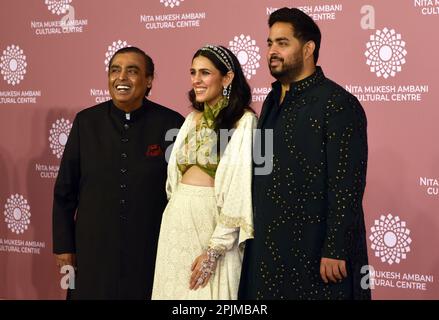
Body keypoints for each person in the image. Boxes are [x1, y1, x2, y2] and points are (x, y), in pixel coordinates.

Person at [238, 7, 371, 300]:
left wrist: (336, 247)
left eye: (282, 43)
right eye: (270, 43)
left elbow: (347, 184)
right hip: (269, 253)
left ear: (309, 48)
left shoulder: (338, 104)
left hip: (317, 257)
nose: (272, 50)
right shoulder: (272, 101)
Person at [52, 46, 184, 299]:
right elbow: (64, 191)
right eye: (115, 70)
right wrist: (64, 245)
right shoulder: (86, 122)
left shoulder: (171, 124)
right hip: (93, 249)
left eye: (132, 71)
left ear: (148, 81)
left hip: (149, 249)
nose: (121, 77)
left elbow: (180, 191)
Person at [151, 45, 257, 300]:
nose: (196, 80)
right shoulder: (191, 119)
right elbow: (173, 180)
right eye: (193, 72)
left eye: (205, 73)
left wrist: (214, 250)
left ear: (227, 77)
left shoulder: (244, 121)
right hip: (176, 223)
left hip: (211, 223)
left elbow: (239, 189)